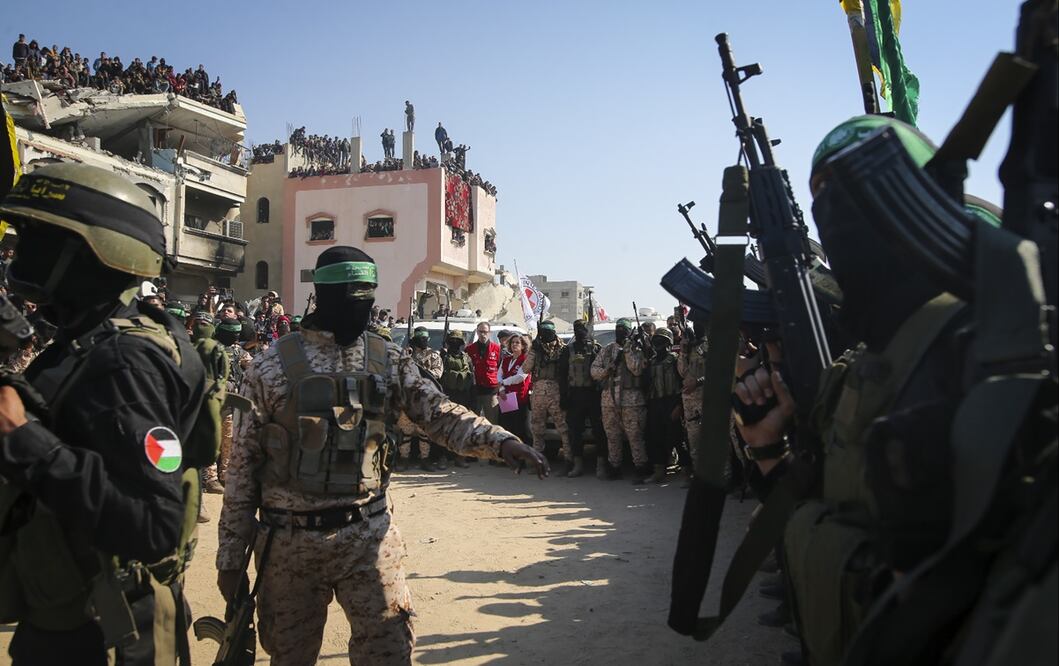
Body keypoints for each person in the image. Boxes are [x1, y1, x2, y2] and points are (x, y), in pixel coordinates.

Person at [734, 115, 997, 665]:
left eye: (862, 191)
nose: (844, 221)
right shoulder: (857, 373)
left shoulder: (996, 354)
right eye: (825, 199)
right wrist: (768, 450)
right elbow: (825, 512)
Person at [216, 246, 547, 665]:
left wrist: (501, 442)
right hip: (289, 545)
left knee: (390, 652)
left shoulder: (387, 358)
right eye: (353, 299)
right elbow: (242, 468)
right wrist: (231, 557)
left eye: (368, 298)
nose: (363, 309)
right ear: (323, 296)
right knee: (290, 656)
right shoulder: (270, 367)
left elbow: (440, 414)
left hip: (369, 536)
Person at [0, 163, 209, 664]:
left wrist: (21, 436)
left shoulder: (124, 359)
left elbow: (154, 522)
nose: (18, 250)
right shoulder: (88, 342)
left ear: (92, 251)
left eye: (39, 237)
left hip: (104, 634)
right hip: (74, 615)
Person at [590, 317, 649, 481]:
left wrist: (628, 350)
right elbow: (594, 371)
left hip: (632, 401)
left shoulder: (637, 349)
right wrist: (607, 370)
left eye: (624, 329)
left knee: (635, 436)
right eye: (618, 328)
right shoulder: (607, 349)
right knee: (612, 436)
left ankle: (640, 468)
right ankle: (614, 467)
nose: (620, 331)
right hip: (609, 401)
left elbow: (637, 369)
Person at [557, 319, 605, 478]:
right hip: (575, 396)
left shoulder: (596, 349)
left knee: (599, 431)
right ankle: (577, 465)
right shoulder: (567, 350)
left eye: (583, 328)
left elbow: (602, 372)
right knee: (575, 432)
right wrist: (563, 396)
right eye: (577, 328)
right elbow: (562, 375)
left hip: (593, 395)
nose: (580, 331)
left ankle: (601, 465)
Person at [524, 320, 571, 463]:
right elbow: (525, 369)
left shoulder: (563, 348)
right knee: (537, 430)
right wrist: (533, 351)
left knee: (563, 429)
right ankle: (537, 462)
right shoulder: (536, 349)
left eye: (548, 332)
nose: (546, 335)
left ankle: (569, 461)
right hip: (538, 394)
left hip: (556, 393)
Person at [397, 327, 443, 471]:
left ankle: (425, 459)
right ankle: (404, 459)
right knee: (406, 431)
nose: (424, 341)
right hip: (408, 399)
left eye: (425, 338)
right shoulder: (406, 353)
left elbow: (437, 373)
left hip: (425, 399)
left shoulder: (433, 355)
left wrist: (421, 372)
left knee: (424, 432)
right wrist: (407, 358)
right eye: (420, 338)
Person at [644, 328, 682, 483]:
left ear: (669, 343)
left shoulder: (675, 360)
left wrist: (679, 406)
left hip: (671, 402)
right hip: (655, 404)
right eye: (656, 341)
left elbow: (682, 383)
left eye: (662, 341)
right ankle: (659, 471)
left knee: (677, 438)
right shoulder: (651, 362)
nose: (658, 344)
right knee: (656, 438)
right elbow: (646, 384)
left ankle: (686, 472)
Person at [438, 329, 474, 469]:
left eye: (457, 341)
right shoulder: (443, 357)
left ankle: (460, 457)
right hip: (447, 396)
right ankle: (443, 457)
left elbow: (472, 378)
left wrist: (472, 400)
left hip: (463, 397)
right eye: (452, 341)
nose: (455, 343)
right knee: (445, 429)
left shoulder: (466, 358)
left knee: (462, 428)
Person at [676, 318, 708, 472]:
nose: (696, 326)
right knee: (693, 441)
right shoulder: (690, 348)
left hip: (707, 398)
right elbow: (682, 371)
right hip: (689, 401)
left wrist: (698, 382)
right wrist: (683, 351)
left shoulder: (709, 346)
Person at [466, 320, 501, 423]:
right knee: (473, 421)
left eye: (485, 332)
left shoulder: (496, 349)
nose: (483, 334)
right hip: (475, 391)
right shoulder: (469, 349)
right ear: (477, 332)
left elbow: (500, 368)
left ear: (489, 333)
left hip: (491, 392)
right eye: (480, 331)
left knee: (492, 422)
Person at [498, 334, 531, 443]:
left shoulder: (525, 359)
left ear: (523, 346)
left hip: (519, 398)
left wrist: (505, 382)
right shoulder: (506, 359)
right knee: (507, 427)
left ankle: (524, 454)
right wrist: (501, 389)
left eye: (517, 342)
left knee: (521, 429)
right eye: (512, 342)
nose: (514, 345)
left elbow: (521, 377)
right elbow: (499, 375)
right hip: (506, 397)